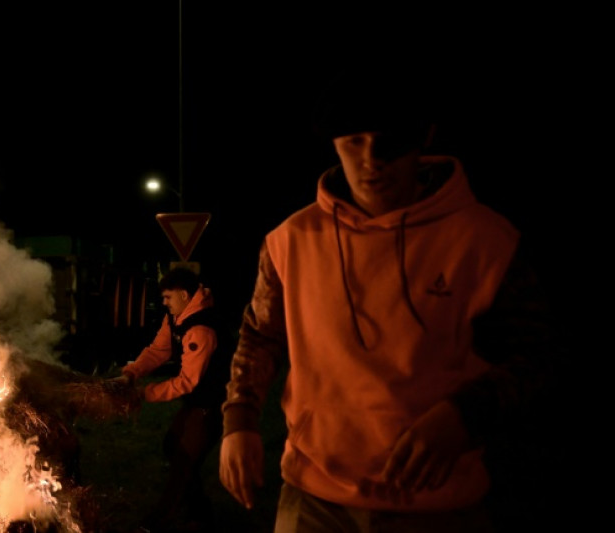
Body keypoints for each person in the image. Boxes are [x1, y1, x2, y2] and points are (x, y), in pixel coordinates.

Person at [218, 65, 558, 532]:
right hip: (314, 498)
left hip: (440, 506)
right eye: (353, 140)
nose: (371, 158)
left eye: (388, 139)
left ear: (424, 139)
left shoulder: (484, 241)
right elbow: (260, 336)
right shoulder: (290, 240)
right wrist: (239, 421)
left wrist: (465, 415)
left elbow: (536, 355)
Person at [110, 266, 232, 532]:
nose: (163, 302)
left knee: (183, 460)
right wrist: (132, 373)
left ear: (185, 296)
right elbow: (159, 350)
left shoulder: (200, 329)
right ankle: (200, 516)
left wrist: (143, 394)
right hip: (196, 401)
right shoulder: (175, 316)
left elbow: (187, 382)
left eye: (168, 297)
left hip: (213, 403)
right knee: (172, 446)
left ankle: (156, 523)